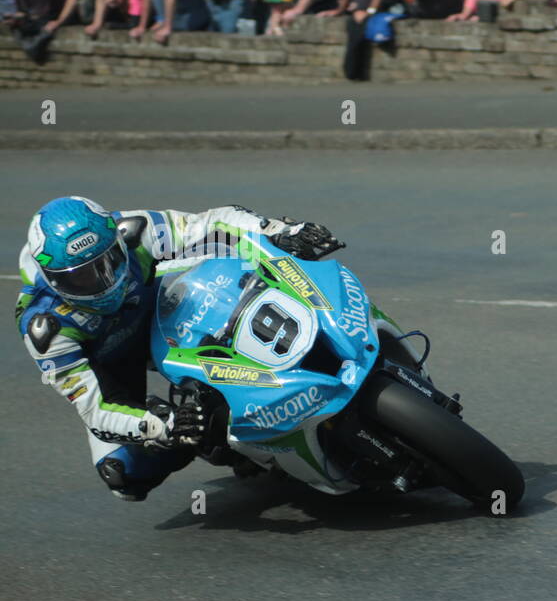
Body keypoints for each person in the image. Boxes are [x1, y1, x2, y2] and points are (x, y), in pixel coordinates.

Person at [15, 197, 343, 502]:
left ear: (116, 242)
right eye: (81, 279)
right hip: (114, 367)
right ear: (53, 280)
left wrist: (282, 232)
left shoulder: (136, 231)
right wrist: (163, 426)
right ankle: (219, 442)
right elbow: (95, 409)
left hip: (176, 308)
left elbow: (214, 224)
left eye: (109, 263)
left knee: (254, 269)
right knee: (123, 475)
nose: (102, 282)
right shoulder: (45, 328)